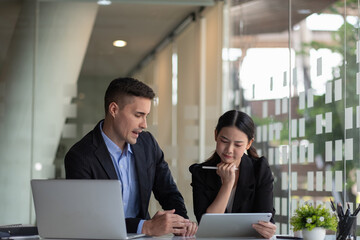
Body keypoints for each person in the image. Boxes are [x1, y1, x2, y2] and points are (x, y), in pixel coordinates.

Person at [65, 77, 197, 237]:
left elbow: (168, 192)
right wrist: (146, 226)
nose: (144, 124)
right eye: (138, 115)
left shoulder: (148, 144)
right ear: (113, 110)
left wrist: (182, 223)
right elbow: (89, 219)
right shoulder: (80, 157)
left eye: (146, 116)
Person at [189, 110, 276, 239]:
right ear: (216, 135)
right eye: (224, 141)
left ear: (249, 144)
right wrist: (227, 184)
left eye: (237, 144)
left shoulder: (259, 170)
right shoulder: (201, 172)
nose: (229, 150)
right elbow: (208, 225)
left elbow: (266, 218)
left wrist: (269, 229)